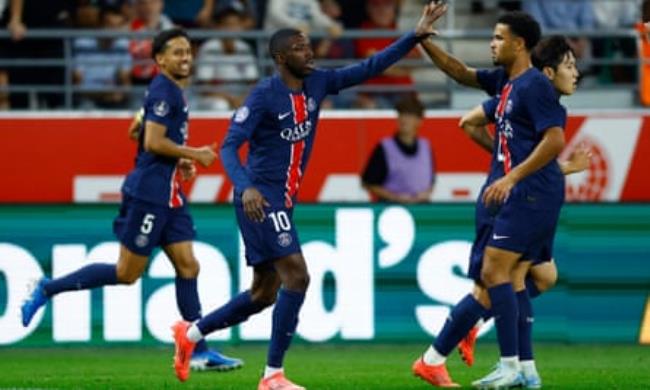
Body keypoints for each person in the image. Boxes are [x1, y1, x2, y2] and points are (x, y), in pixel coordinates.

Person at [170, 3, 448, 389]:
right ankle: (273, 377)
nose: (310, 50)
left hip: (280, 200)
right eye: (301, 47)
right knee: (297, 277)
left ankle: (192, 334)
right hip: (261, 199)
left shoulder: (318, 83)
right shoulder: (265, 94)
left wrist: (413, 36)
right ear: (282, 57)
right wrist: (245, 185)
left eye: (308, 44)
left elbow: (369, 68)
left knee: (263, 293)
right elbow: (231, 146)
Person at [21, 28, 242, 372]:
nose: (185, 57)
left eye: (188, 52)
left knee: (188, 266)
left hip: (170, 195)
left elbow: (136, 130)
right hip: (149, 195)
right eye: (177, 52)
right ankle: (48, 288)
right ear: (160, 60)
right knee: (127, 273)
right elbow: (153, 141)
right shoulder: (165, 92)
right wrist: (192, 154)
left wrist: (179, 159)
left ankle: (198, 349)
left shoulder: (169, 92)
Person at [413, 9, 571, 388]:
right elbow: (461, 72)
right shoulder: (505, 81)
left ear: (519, 44)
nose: (492, 43)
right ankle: (524, 370)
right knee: (515, 277)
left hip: (527, 195)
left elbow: (555, 139)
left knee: (494, 275)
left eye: (499, 37)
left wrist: (512, 174)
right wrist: (424, 41)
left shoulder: (535, 86)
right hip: (518, 192)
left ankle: (507, 363)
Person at [455, 36, 590, 389]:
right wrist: (505, 168)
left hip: (532, 196)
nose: (576, 74)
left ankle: (521, 364)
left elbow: (533, 159)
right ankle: (504, 356)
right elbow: (468, 120)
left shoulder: (542, 100)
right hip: (517, 200)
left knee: (542, 277)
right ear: (547, 71)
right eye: (569, 66)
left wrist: (556, 169)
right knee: (508, 276)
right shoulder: (523, 95)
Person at [361, 95, 436, 203]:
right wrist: (395, 197)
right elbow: (369, 182)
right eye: (401, 114)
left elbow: (431, 180)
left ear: (419, 121)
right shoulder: (384, 148)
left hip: (422, 209)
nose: (404, 119)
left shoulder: (426, 146)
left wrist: (426, 193)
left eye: (409, 115)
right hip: (392, 210)